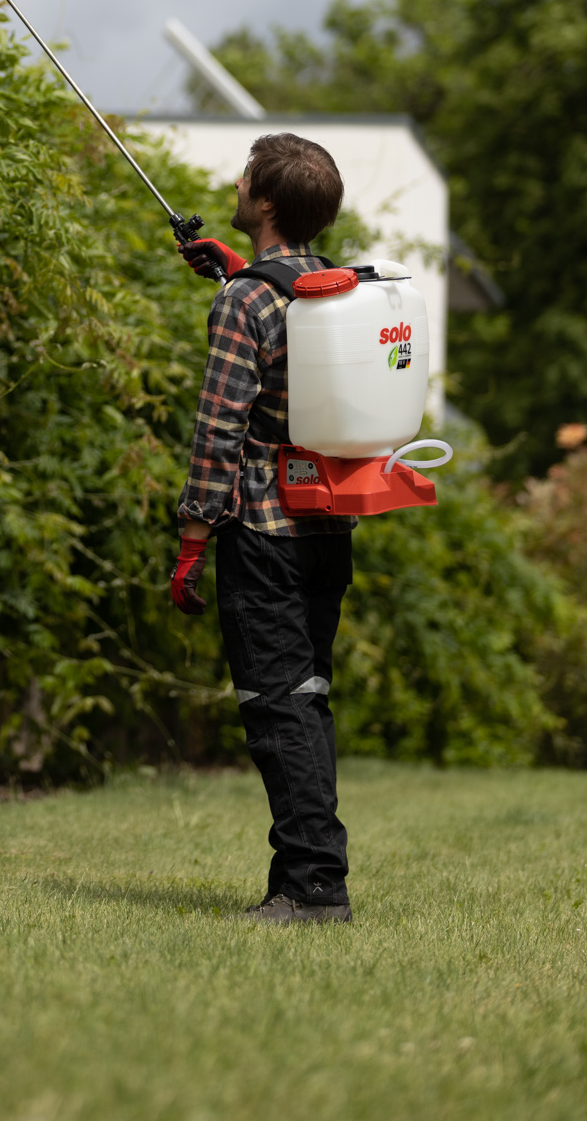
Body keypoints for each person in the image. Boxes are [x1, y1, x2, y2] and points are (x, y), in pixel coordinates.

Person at [172, 131, 354, 925]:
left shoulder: (245, 299)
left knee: (277, 704)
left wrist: (190, 542)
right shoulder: (339, 286)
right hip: (328, 521)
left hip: (263, 531)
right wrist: (234, 268)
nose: (235, 184)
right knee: (304, 697)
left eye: (246, 177)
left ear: (266, 201)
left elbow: (218, 433)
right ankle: (300, 880)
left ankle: (315, 888)